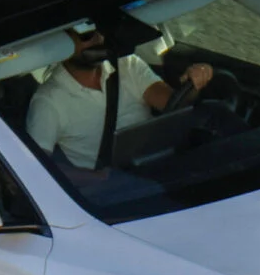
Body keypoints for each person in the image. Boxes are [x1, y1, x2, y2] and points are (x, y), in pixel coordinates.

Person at [25, 25, 213, 169]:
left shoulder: (127, 64)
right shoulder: (48, 101)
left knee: (216, 113)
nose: (98, 39)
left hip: (160, 157)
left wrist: (195, 81)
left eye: (100, 31)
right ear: (61, 44)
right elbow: (36, 167)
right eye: (86, 36)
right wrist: (95, 179)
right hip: (116, 186)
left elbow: (172, 104)